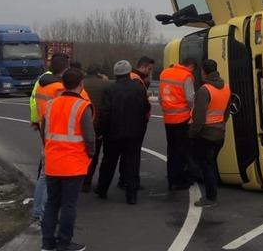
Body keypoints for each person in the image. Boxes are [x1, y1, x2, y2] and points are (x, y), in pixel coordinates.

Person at [40, 68, 94, 251]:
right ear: (81, 85)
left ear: (63, 84)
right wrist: (91, 153)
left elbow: (43, 130)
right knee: (69, 205)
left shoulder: (50, 105)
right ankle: (64, 242)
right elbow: (89, 137)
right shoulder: (82, 106)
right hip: (73, 165)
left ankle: (47, 243)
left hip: (52, 163)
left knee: (52, 203)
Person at [95, 60, 150, 204]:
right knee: (132, 164)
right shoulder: (139, 88)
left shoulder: (110, 89)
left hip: (113, 133)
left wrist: (101, 130)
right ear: (129, 72)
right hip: (134, 133)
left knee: (108, 162)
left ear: (116, 74)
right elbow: (145, 108)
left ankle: (102, 189)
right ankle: (131, 195)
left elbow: (105, 113)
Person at [29, 53, 70, 226]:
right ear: (64, 68)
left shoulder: (41, 85)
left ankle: (38, 211)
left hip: (44, 130)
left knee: (45, 175)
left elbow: (35, 104)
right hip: (55, 134)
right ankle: (43, 214)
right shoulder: (58, 88)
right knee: (48, 175)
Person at [189, 59, 231, 207]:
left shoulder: (204, 90)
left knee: (206, 165)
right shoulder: (226, 87)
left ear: (204, 72)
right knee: (211, 164)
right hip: (220, 133)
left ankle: (211, 198)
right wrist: (220, 125)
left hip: (206, 134)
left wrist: (192, 133)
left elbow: (199, 118)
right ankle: (214, 189)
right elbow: (226, 112)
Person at [159, 58, 197, 190]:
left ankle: (171, 178)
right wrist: (194, 110)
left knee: (171, 149)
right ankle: (179, 180)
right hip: (182, 118)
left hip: (168, 118)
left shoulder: (165, 73)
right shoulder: (186, 76)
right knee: (181, 151)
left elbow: (160, 96)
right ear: (190, 65)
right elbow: (190, 98)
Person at [81, 65, 110, 193]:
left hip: (80, 123)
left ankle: (80, 178)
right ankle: (88, 179)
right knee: (94, 153)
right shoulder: (105, 84)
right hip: (97, 123)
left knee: (80, 153)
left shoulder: (81, 83)